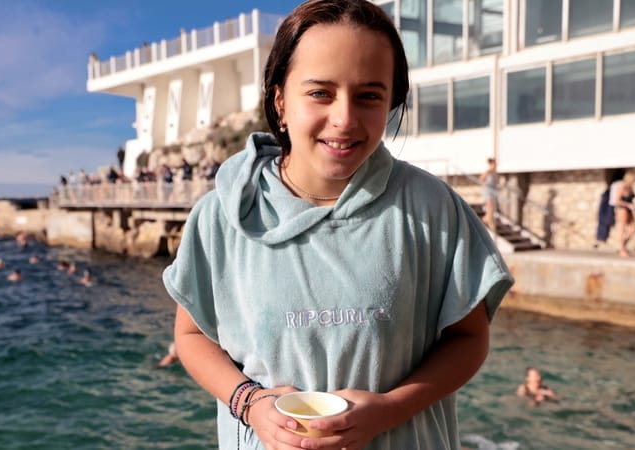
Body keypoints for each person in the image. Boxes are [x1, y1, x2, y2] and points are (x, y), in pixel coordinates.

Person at [161, 2, 514, 449]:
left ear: (391, 102)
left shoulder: (430, 208)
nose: (345, 118)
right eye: (320, 93)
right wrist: (249, 403)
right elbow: (191, 334)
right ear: (280, 100)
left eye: (369, 95)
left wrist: (391, 409)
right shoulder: (221, 216)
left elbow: (468, 339)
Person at [609, 171, 635, 257]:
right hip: (621, 209)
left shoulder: (630, 187)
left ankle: (623, 245)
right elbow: (617, 200)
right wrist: (628, 205)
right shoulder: (622, 187)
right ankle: (622, 249)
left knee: (633, 229)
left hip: (629, 210)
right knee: (622, 229)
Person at [480, 157, 499, 232]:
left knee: (491, 207)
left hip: (493, 190)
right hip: (488, 190)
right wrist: (485, 185)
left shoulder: (494, 172)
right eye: (494, 163)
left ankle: (486, 219)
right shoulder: (488, 171)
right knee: (490, 206)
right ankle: (489, 221)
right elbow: (481, 179)